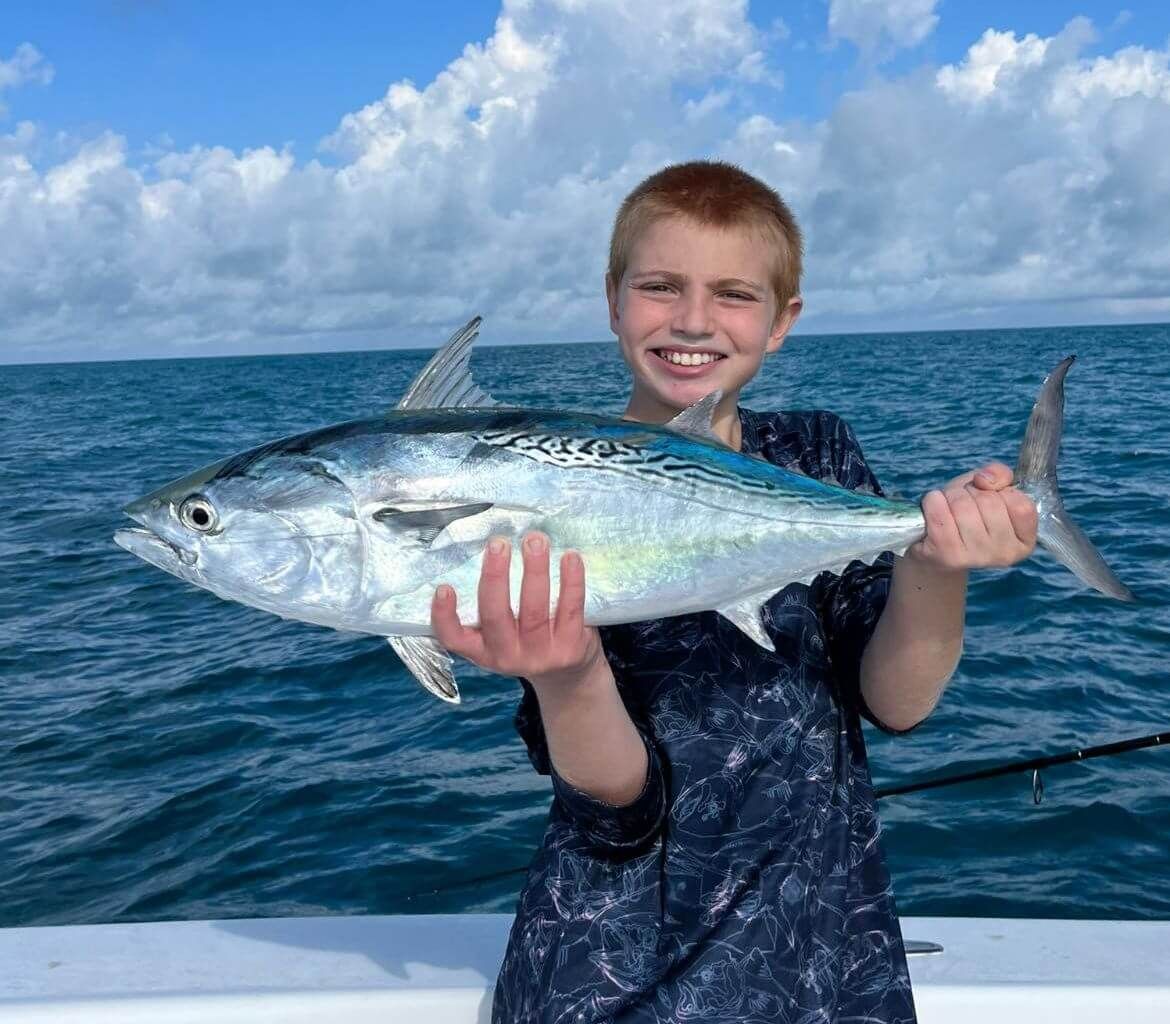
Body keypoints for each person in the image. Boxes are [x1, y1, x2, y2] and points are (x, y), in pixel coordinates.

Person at [430, 161, 1038, 1023]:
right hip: (616, 968)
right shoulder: (547, 491)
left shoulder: (817, 452)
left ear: (783, 321)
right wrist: (566, 676)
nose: (692, 321)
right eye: (660, 287)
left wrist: (935, 566)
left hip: (825, 955)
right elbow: (615, 810)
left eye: (734, 295)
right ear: (612, 300)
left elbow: (897, 703)